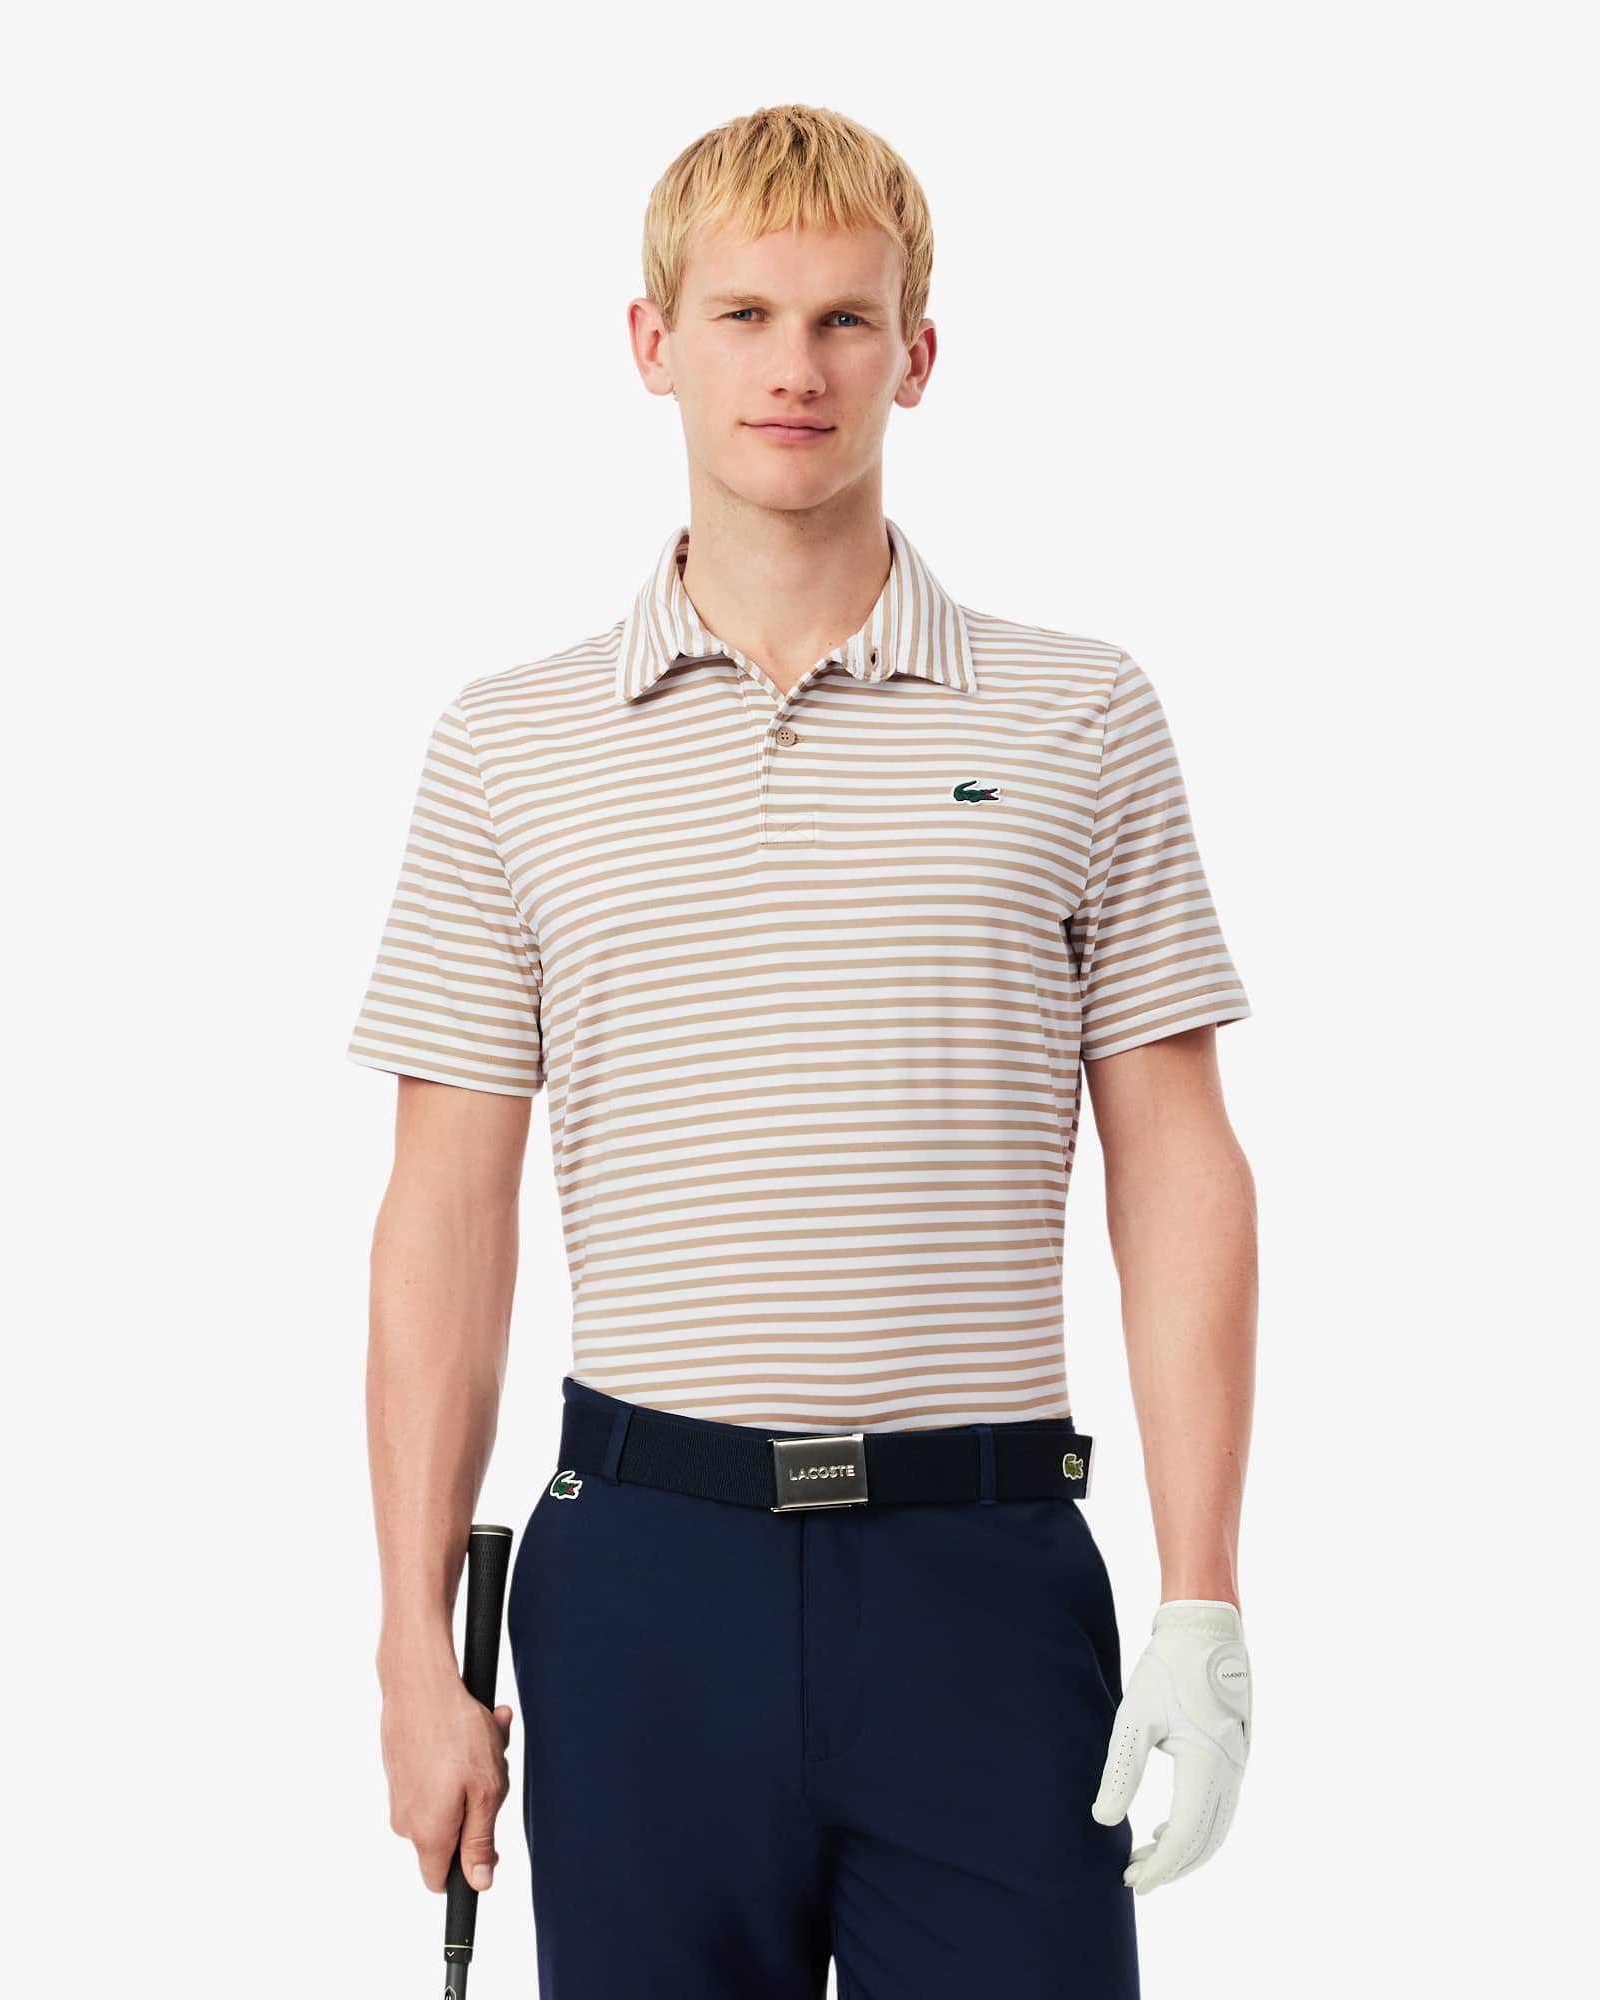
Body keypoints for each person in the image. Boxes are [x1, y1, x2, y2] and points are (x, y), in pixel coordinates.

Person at [348, 101, 1257, 1998]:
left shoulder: (1079, 714)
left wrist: (1202, 1596)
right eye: (745, 315)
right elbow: (445, 1206)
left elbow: (1178, 1161)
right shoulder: (510, 748)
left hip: (983, 1574)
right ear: (652, 342)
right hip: (644, 1577)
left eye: (846, 319)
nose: (796, 367)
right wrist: (411, 1648)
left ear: (917, 353)